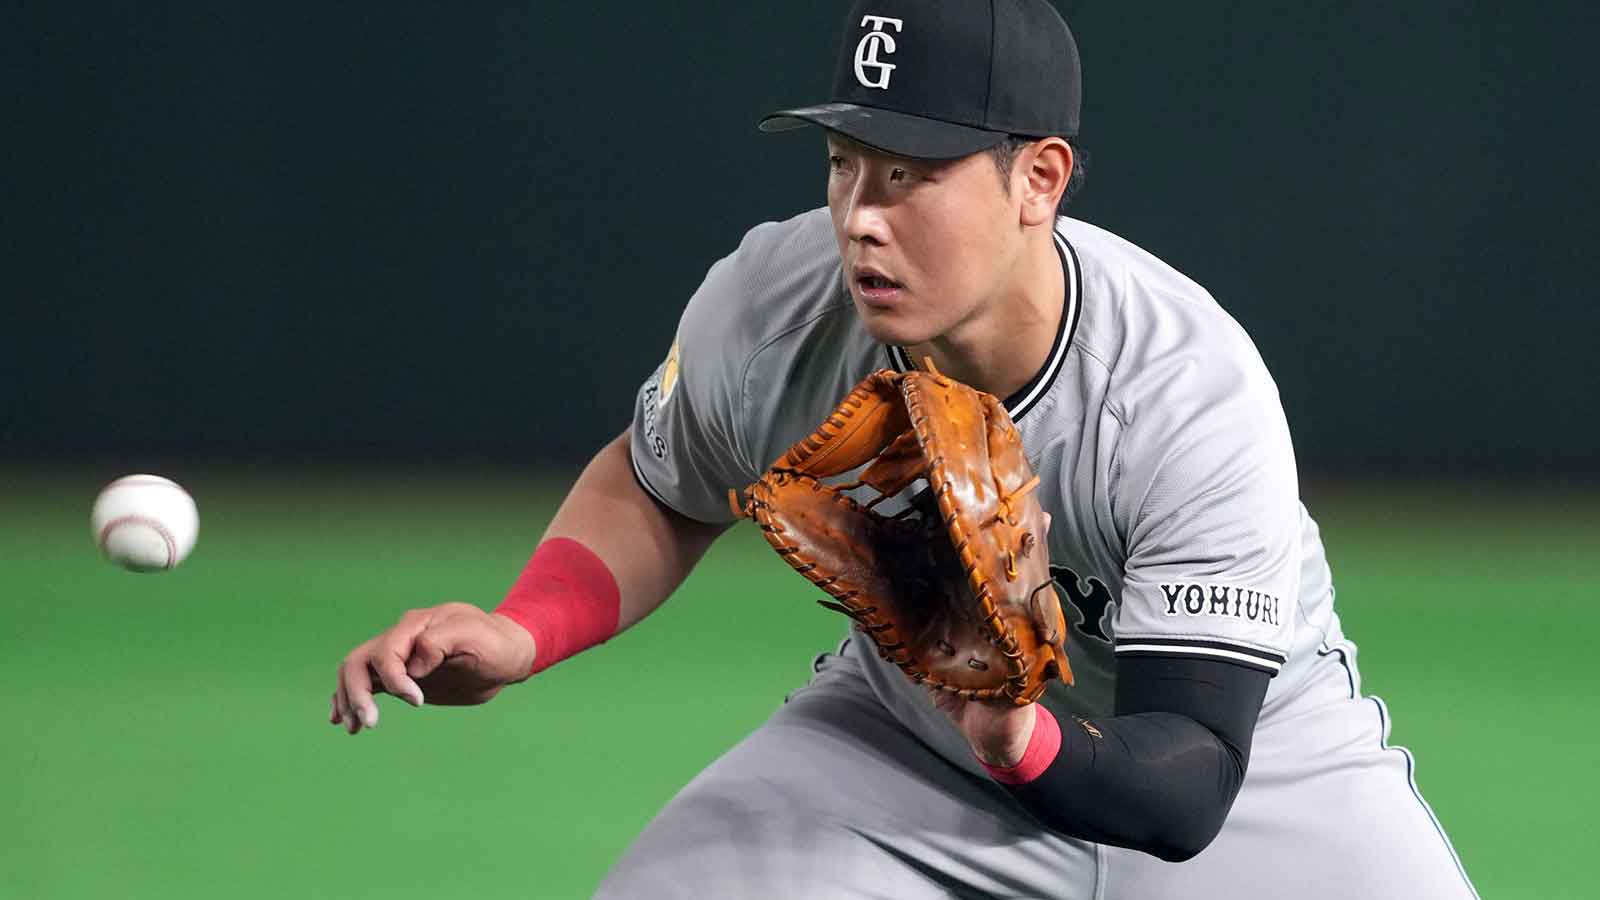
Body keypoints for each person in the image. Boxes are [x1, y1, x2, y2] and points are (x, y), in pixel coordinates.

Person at [329, 2, 1479, 897]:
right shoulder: (776, 304)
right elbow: (659, 480)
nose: (860, 215)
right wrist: (523, 630)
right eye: (844, 163)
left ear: (1039, 179)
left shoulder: (1183, 392)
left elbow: (1188, 779)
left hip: (1249, 763)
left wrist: (1022, 735)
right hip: (909, 738)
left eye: (911, 174)